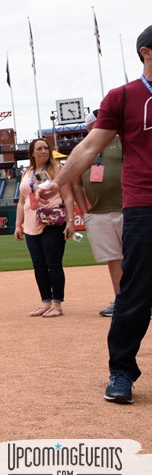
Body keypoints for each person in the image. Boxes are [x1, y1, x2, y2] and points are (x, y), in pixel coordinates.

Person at [39, 24, 152, 404]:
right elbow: (89, 148)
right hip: (144, 205)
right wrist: (58, 183)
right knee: (135, 293)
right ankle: (121, 371)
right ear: (146, 52)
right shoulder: (123, 97)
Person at [69, 109, 124, 317]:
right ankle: (121, 301)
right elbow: (74, 183)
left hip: (127, 208)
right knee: (114, 259)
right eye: (98, 123)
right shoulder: (83, 149)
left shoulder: (121, 141)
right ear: (89, 127)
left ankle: (146, 302)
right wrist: (84, 212)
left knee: (138, 258)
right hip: (98, 212)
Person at [15, 138, 76, 318]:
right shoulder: (26, 173)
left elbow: (68, 197)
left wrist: (71, 221)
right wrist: (18, 224)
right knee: (39, 265)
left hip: (52, 221)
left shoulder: (56, 169)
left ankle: (57, 304)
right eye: (39, 148)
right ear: (32, 153)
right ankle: (45, 302)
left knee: (53, 263)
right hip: (31, 222)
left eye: (46, 148)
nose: (44, 151)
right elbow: (21, 202)